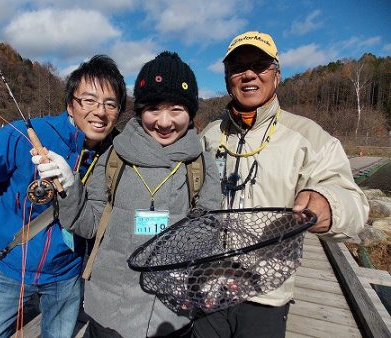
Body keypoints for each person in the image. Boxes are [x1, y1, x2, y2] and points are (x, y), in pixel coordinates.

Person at [194, 31, 369, 337]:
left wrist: (326, 203)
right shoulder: (209, 135)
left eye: (260, 65)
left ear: (276, 76)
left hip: (266, 293)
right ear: (227, 79)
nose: (248, 73)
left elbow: (353, 201)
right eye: (237, 67)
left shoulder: (307, 136)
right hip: (210, 284)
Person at [37, 51, 221, 337]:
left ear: (191, 112)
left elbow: (210, 229)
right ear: (139, 110)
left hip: (173, 313)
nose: (164, 121)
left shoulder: (203, 164)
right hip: (110, 311)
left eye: (176, 110)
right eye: (154, 109)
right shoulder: (114, 157)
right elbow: (88, 225)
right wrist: (69, 187)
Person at [0, 55, 126, 338]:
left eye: (110, 104)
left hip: (66, 275)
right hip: (7, 268)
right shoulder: (22, 135)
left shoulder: (115, 156)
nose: (99, 112)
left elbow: (99, 220)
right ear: (70, 104)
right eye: (88, 100)